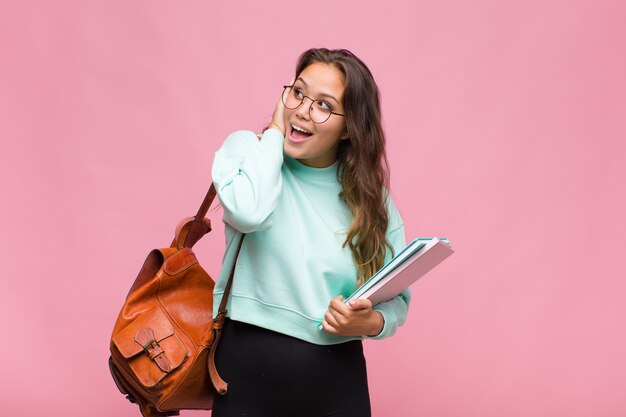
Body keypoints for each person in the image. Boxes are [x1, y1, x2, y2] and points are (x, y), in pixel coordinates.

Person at [210, 47, 410, 417]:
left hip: (337, 380)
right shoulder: (247, 153)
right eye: (297, 93)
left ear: (349, 127)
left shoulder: (370, 198)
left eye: (323, 105)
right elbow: (250, 213)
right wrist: (273, 133)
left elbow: (397, 296)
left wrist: (370, 321)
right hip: (244, 373)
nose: (302, 110)